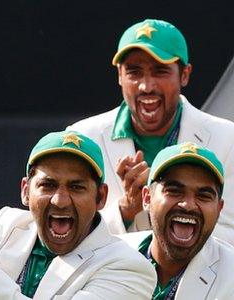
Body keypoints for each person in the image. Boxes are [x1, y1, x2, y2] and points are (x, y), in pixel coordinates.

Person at [0, 131, 157, 299]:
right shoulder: (9, 225)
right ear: (25, 191)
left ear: (101, 197)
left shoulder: (129, 267)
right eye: (48, 185)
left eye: (76, 187)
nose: (60, 200)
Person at [68, 19, 234, 243]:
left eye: (160, 71)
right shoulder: (83, 138)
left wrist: (171, 216)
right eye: (134, 72)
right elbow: (65, 230)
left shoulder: (227, 139)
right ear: (119, 75)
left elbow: (230, 234)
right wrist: (125, 210)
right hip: (112, 277)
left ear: (184, 74)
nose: (146, 86)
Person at [120, 142, 234, 298]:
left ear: (219, 209)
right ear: (147, 198)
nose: (188, 205)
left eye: (204, 196)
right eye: (174, 191)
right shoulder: (107, 258)